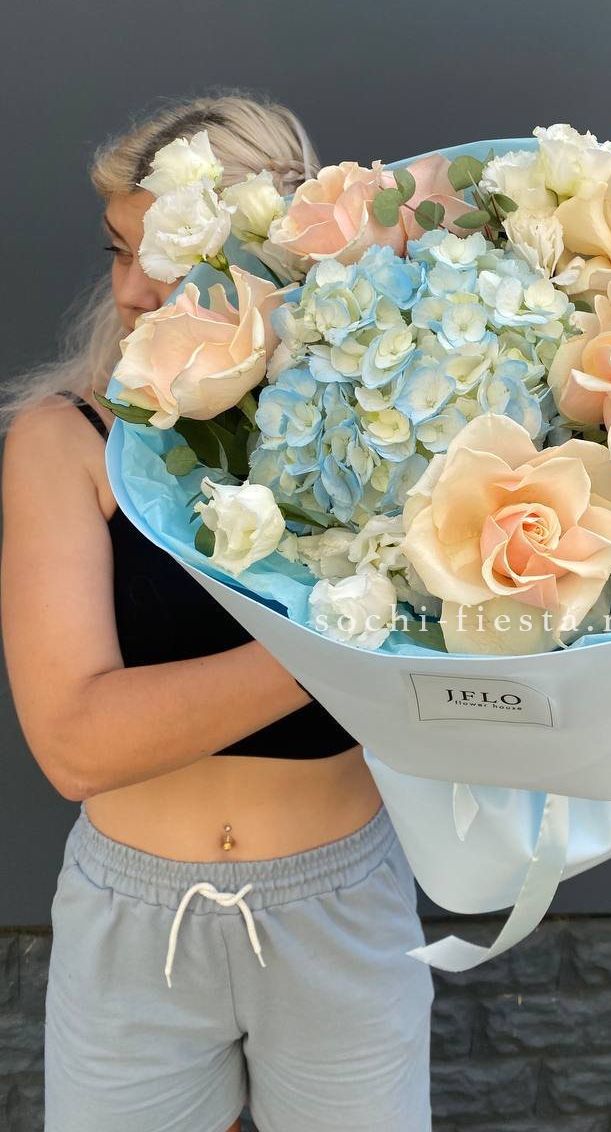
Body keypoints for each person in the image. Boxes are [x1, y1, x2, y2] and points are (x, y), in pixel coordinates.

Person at [0, 91, 435, 1132]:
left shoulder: (382, 433)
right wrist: (347, 625)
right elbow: (76, 743)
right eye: (118, 251)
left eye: (166, 256)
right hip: (130, 924)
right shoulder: (65, 440)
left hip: (342, 906)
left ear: (272, 249)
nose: (132, 289)